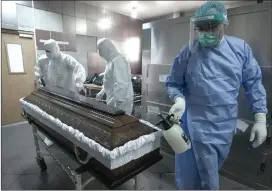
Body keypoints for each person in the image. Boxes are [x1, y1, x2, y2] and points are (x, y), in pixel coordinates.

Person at [165, 1, 267, 190]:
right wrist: (179, 99)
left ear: (224, 24)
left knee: (210, 172)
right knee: (191, 179)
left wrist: (260, 118)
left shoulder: (239, 50)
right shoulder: (188, 52)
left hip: (222, 127)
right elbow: (173, 83)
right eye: (201, 28)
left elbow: (253, 83)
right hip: (191, 126)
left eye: (212, 27)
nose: (207, 33)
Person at [95, 38, 134, 115]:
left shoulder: (118, 60)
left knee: (121, 124)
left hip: (122, 102)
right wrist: (102, 92)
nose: (99, 53)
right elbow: (109, 80)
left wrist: (118, 104)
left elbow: (122, 84)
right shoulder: (110, 61)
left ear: (106, 48)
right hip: (113, 99)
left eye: (100, 50)